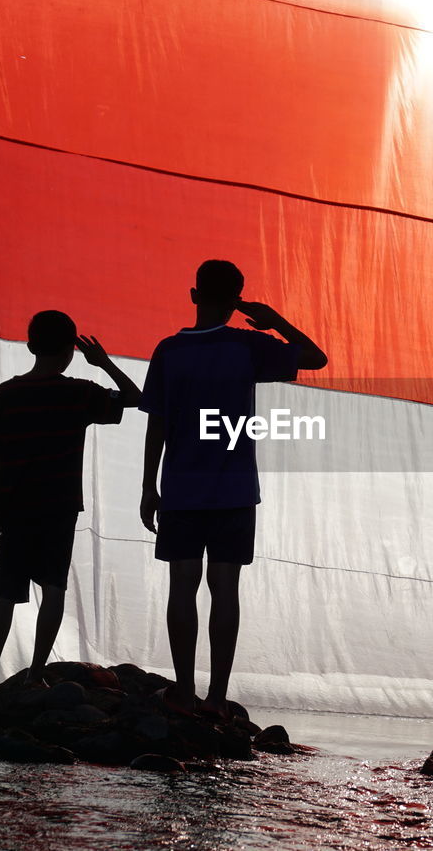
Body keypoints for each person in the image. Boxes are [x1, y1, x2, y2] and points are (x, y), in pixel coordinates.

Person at [140, 259, 327, 717]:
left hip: (182, 483)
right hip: (235, 487)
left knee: (182, 584)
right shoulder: (248, 346)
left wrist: (148, 486)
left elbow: (157, 423)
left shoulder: (169, 350)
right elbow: (315, 357)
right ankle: (218, 698)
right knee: (226, 586)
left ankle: (184, 692)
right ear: (237, 299)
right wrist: (275, 320)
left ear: (194, 294)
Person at [0, 310, 142, 696]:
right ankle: (35, 674)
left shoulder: (7, 393)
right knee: (53, 589)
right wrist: (104, 362)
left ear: (30, 346)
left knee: (4, 594)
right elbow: (135, 398)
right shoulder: (78, 392)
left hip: (15, 506)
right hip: (58, 506)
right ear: (71, 351)